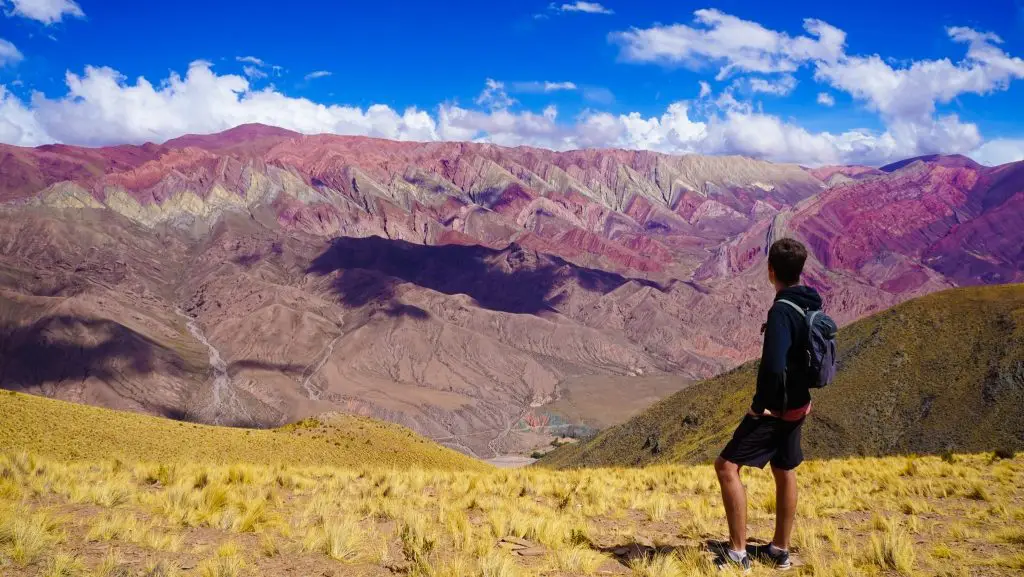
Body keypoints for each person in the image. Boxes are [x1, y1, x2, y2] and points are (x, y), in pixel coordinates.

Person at [713, 238, 821, 572]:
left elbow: (773, 366)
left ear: (770, 270)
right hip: (800, 404)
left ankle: (737, 555)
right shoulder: (811, 303)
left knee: (726, 467)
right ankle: (779, 550)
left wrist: (759, 407)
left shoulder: (781, 311)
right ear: (800, 271)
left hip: (777, 408)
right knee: (784, 468)